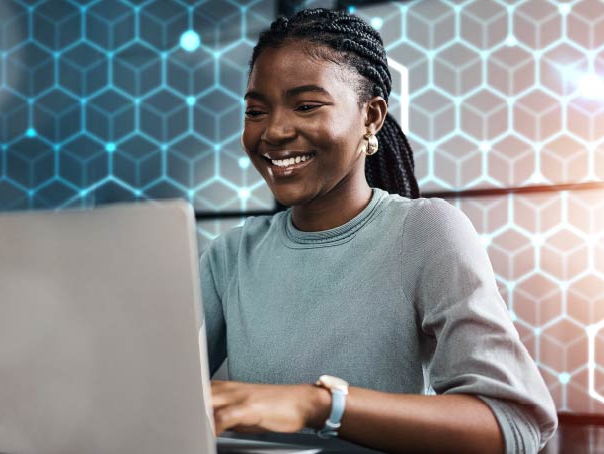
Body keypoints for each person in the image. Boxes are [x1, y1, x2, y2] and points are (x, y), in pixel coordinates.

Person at [200, 8, 557, 453]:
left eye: (307, 105)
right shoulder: (230, 256)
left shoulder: (425, 232)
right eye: (256, 110)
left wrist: (319, 406)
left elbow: (515, 423)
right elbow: (155, 394)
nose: (273, 130)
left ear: (370, 117)